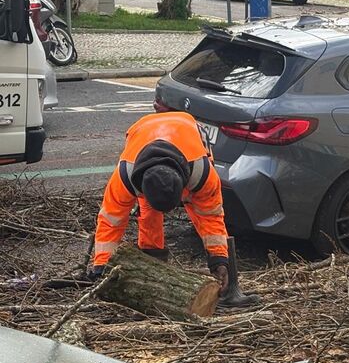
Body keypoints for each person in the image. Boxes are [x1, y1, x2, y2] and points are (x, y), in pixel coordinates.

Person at [87, 112, 242, 299]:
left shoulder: (203, 173)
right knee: (148, 214)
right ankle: (153, 263)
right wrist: (102, 267)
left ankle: (230, 285)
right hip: (141, 129)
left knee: (202, 210)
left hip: (186, 129)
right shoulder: (124, 178)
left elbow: (211, 216)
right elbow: (111, 222)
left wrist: (219, 260)